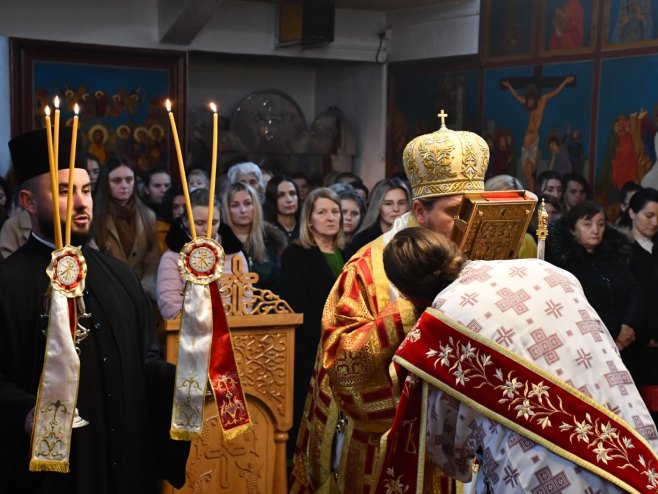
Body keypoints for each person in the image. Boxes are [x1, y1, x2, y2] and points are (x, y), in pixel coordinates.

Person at [289, 120, 490, 493]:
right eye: (454, 212)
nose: (468, 225)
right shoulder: (369, 268)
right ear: (420, 210)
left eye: (474, 210)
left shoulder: (485, 264)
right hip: (391, 447)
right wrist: (415, 308)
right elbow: (341, 364)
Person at [377, 227, 658, 493]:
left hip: (541, 471)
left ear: (409, 293)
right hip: (632, 444)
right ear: (452, 249)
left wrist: (460, 462)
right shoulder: (543, 269)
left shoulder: (443, 320)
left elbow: (442, 430)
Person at [0, 127, 189, 493]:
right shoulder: (7, 284)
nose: (82, 203)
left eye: (86, 190)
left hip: (127, 466)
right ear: (28, 200)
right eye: (65, 191)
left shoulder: (119, 276)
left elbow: (145, 358)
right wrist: (26, 412)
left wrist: (185, 384)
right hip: (52, 477)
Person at [279, 187, 345, 460]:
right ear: (309, 220)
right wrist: (328, 337)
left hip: (345, 347)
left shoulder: (349, 252)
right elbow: (295, 307)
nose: (330, 218)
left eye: (335, 211)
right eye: (322, 212)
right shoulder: (296, 255)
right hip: (311, 348)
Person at [546, 201, 643, 377]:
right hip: (588, 349)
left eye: (600, 224)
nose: (595, 230)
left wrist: (628, 325)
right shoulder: (564, 266)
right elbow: (574, 308)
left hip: (626, 344)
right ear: (572, 229)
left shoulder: (614, 256)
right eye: (587, 224)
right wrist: (614, 333)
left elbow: (634, 290)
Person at [156, 188, 247, 320]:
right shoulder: (172, 257)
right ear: (185, 221)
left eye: (214, 222)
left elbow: (245, 301)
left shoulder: (234, 254)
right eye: (199, 223)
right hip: (190, 335)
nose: (208, 229)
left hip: (232, 331)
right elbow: (170, 306)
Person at [92, 157, 161, 300]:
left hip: (142, 292)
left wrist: (145, 286)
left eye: (129, 180)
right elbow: (93, 259)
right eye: (116, 180)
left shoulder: (147, 215)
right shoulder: (94, 215)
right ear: (106, 183)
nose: (124, 185)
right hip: (108, 293)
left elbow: (153, 257)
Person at [502, 76, 574, 191]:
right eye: (528, 101)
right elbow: (517, 97)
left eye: (531, 100)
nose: (529, 103)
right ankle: (529, 196)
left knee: (530, 170)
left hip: (534, 141)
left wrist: (564, 82)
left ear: (535, 98)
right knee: (526, 173)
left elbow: (554, 92)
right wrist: (509, 86)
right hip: (526, 142)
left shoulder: (542, 101)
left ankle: (531, 197)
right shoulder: (529, 106)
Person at [627, 187, 658, 423]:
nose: (655, 222)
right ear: (632, 213)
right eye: (649, 216)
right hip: (637, 344)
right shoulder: (622, 251)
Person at [222, 181, 286, 292]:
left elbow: (279, 283)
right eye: (235, 205)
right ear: (227, 210)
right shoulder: (217, 244)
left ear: (255, 206)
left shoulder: (271, 241)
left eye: (247, 203)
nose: (243, 210)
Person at [347, 177, 410, 256]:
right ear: (378, 206)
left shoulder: (416, 237)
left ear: (408, 205)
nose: (396, 209)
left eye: (401, 203)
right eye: (388, 203)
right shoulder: (362, 240)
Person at [484, 174, 537, 258]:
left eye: (516, 205)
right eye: (502, 204)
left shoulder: (527, 242)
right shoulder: (472, 240)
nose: (509, 211)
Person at [263, 175, 300, 241]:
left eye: (292, 193)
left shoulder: (308, 227)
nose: (289, 200)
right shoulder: (265, 232)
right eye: (281, 195)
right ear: (272, 199)